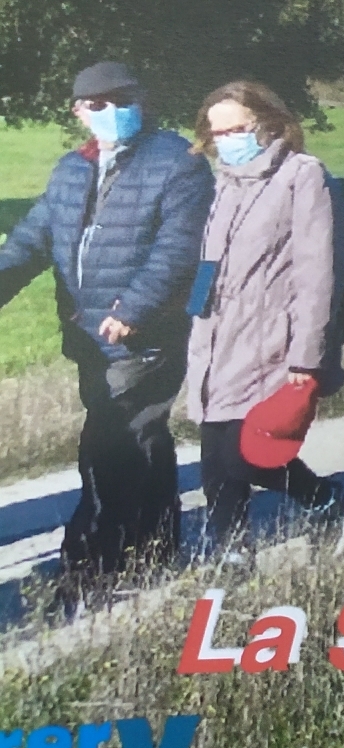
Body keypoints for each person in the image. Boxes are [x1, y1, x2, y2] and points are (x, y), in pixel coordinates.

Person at [0, 62, 211, 594]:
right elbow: (31, 241)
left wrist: (135, 310)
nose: (110, 111)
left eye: (122, 99)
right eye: (96, 103)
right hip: (89, 338)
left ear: (142, 99)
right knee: (140, 435)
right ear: (78, 111)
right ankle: (157, 545)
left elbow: (179, 250)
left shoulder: (177, 163)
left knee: (110, 441)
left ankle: (96, 561)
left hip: (145, 334)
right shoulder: (72, 169)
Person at [185, 81, 344, 560]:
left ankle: (322, 498)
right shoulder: (222, 182)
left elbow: (319, 273)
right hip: (216, 337)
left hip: (272, 344)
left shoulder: (304, 177)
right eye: (216, 132)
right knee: (215, 458)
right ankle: (231, 554)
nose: (226, 140)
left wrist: (309, 356)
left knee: (249, 455)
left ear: (268, 123)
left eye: (237, 128)